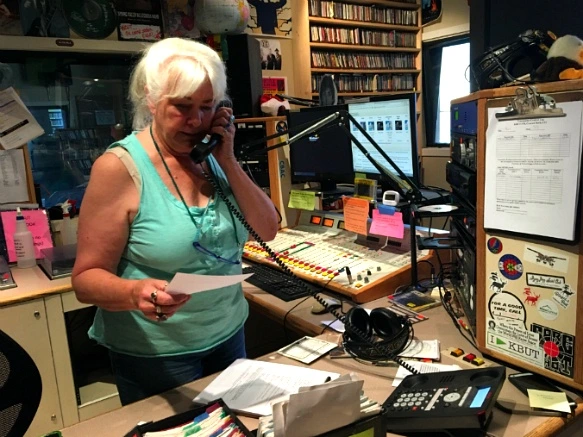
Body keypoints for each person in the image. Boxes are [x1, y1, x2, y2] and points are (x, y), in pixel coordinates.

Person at [71, 37, 279, 405]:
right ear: (151, 100)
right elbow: (86, 280)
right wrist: (136, 293)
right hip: (157, 354)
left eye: (207, 106)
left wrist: (228, 160)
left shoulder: (214, 155)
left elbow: (268, 230)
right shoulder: (118, 168)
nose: (196, 121)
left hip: (229, 334)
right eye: (182, 106)